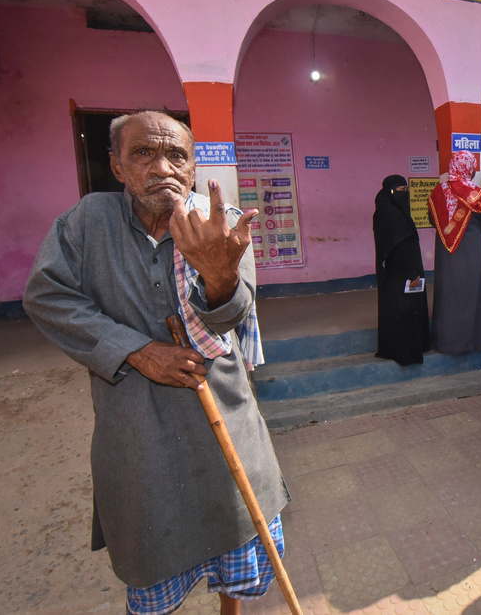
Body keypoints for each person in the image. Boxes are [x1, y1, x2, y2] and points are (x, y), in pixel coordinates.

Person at [23, 111, 289, 615]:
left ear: (191, 169)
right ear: (118, 166)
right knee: (151, 545)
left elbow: (236, 316)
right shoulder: (86, 222)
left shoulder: (223, 223)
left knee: (237, 529)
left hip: (224, 417)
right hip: (136, 430)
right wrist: (137, 351)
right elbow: (47, 297)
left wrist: (218, 276)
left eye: (177, 155)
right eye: (144, 153)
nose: (162, 166)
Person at [428, 149, 481, 354]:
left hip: (446, 254)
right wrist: (469, 235)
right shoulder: (477, 194)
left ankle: (446, 342)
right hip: (471, 250)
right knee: (471, 293)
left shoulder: (437, 193)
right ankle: (472, 342)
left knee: (447, 295)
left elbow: (432, 221)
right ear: (469, 170)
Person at [373, 175, 430, 365]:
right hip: (404, 272)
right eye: (400, 190)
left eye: (407, 190)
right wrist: (412, 273)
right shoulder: (393, 215)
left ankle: (394, 349)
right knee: (406, 312)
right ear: (390, 192)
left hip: (393, 274)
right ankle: (407, 353)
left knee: (395, 313)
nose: (404, 194)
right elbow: (400, 248)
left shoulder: (384, 210)